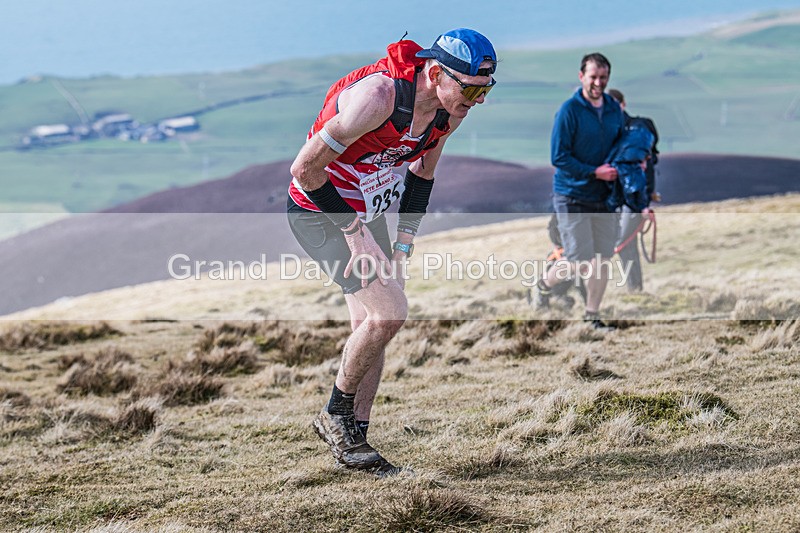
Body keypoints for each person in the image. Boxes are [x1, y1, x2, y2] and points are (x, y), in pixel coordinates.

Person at [286, 29, 497, 476]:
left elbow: (422, 174)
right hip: (320, 209)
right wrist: (353, 231)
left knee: (370, 323)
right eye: (472, 88)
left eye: (487, 89)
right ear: (436, 73)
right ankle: (334, 414)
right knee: (390, 312)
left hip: (365, 210)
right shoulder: (379, 98)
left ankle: (356, 438)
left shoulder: (448, 112)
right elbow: (304, 169)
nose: (478, 100)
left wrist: (404, 240)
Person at [532, 52, 624, 330]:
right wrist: (594, 171)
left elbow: (621, 145)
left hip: (604, 197)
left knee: (603, 260)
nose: (598, 82)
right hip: (572, 194)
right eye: (593, 76)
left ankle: (592, 316)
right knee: (579, 262)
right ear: (581, 76)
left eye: (603, 77)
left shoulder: (613, 109)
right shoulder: (569, 111)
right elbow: (558, 157)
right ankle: (542, 285)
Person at [607, 88, 660, 292]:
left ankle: (635, 289)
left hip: (633, 198)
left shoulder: (640, 127)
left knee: (624, 243)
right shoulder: (607, 133)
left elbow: (647, 166)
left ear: (623, 104)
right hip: (612, 198)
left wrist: (643, 203)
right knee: (620, 244)